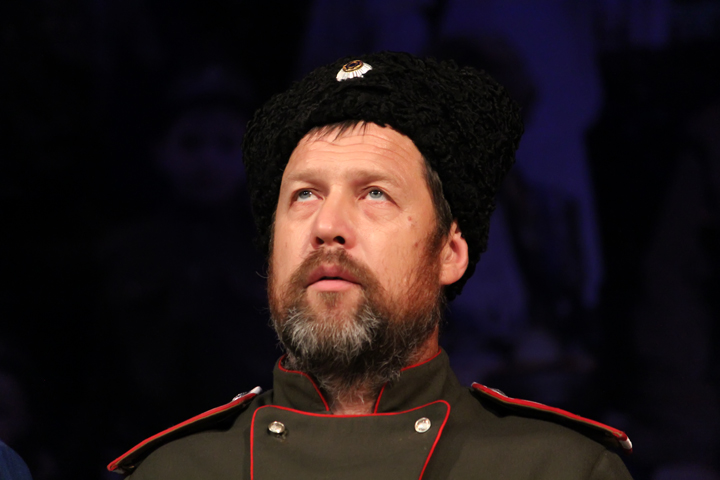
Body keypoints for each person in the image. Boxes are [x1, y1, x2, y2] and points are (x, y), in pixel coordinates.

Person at [108, 51, 633, 479]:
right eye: (305, 195)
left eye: (375, 193)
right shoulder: (176, 471)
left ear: (449, 253)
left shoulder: (558, 469)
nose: (326, 224)